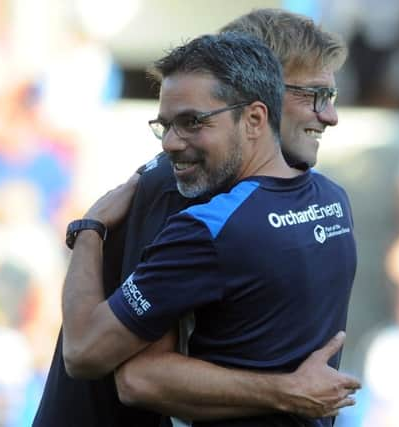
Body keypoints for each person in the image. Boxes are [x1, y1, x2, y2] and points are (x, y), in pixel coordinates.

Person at [33, 9, 354, 427]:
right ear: (261, 92)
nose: (327, 115)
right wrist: (289, 392)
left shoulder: (315, 194)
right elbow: (132, 372)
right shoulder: (185, 187)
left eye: (328, 97)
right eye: (312, 94)